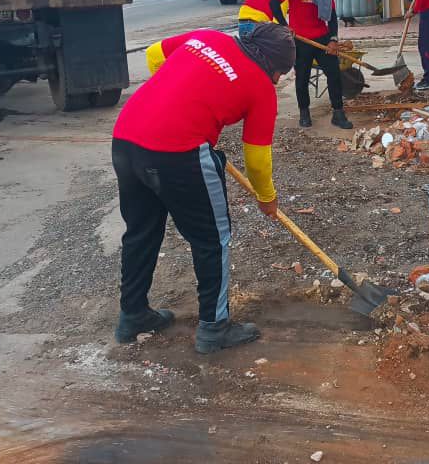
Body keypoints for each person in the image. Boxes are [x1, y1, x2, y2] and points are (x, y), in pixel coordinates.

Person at [111, 23, 296, 352]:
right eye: (280, 72)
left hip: (127, 138)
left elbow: (154, 55)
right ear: (270, 63)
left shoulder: (208, 38)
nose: (278, 80)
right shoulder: (261, 88)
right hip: (178, 153)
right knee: (213, 238)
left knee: (141, 232)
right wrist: (267, 198)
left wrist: (173, 99)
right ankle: (214, 328)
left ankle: (132, 315)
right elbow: (256, 159)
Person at [270, 0, 353, 130]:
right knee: (302, 78)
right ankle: (304, 113)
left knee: (334, 74)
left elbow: (331, 16)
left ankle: (338, 113)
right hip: (300, 40)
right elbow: (274, 2)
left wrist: (333, 39)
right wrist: (284, 25)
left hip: (322, 38)